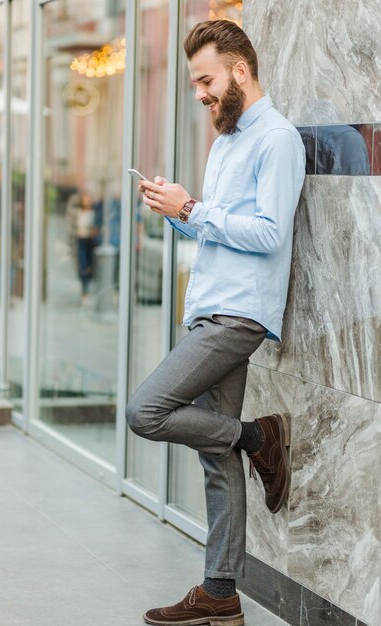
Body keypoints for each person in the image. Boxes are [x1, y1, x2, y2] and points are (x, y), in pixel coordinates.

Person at [126, 19, 305, 626]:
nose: (199, 92)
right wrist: (175, 211)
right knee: (214, 453)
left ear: (240, 70)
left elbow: (270, 234)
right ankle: (221, 593)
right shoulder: (226, 138)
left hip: (237, 315)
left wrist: (195, 209)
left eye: (205, 79)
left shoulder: (276, 139)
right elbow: (217, 228)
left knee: (144, 411)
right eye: (196, 82)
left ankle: (261, 438)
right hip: (208, 306)